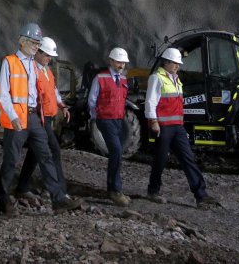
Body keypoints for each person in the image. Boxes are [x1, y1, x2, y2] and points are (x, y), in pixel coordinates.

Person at [0, 24, 82, 215]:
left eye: (37, 44)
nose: (36, 47)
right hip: (17, 117)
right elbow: (3, 95)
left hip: (34, 117)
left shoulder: (35, 65)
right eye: (33, 43)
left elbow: (47, 90)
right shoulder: (9, 62)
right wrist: (13, 116)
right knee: (11, 159)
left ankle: (58, 199)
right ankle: (2, 200)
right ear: (22, 42)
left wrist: (57, 106)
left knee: (46, 155)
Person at [145, 48, 221, 208]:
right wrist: (153, 121)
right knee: (160, 160)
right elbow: (150, 101)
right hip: (163, 127)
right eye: (175, 63)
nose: (177, 66)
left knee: (189, 159)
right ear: (166, 62)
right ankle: (153, 191)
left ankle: (201, 195)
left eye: (178, 64)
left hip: (177, 127)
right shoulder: (156, 78)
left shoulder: (176, 79)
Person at [15, 36, 73, 199]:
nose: (49, 59)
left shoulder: (47, 71)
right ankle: (60, 191)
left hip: (47, 117)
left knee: (34, 152)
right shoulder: (32, 69)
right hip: (38, 118)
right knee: (53, 149)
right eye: (47, 55)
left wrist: (62, 105)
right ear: (38, 52)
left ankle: (22, 186)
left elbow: (53, 91)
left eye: (50, 56)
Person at [88, 47, 131, 206]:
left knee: (117, 153)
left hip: (118, 120)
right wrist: (95, 118)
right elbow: (92, 100)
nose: (121, 65)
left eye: (123, 63)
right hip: (105, 119)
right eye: (119, 62)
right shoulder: (100, 78)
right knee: (117, 151)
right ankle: (115, 191)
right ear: (111, 61)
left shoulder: (124, 80)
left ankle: (112, 187)